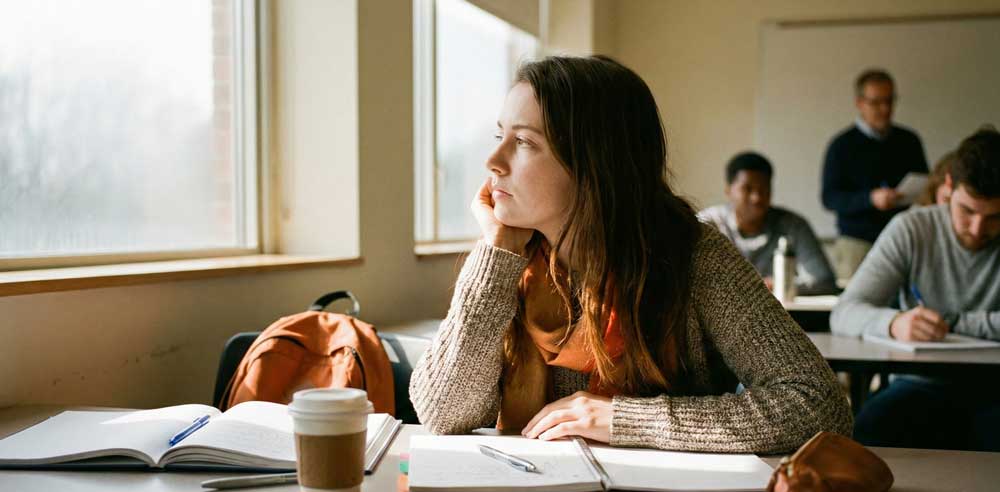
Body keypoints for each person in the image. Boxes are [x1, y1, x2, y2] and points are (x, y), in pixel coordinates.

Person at [410, 55, 851, 454]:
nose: (493, 160)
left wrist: (624, 420)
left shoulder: (697, 258)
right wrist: (497, 252)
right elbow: (443, 413)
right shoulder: (506, 259)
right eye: (499, 136)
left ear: (594, 164)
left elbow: (818, 404)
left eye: (524, 142)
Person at [831, 129, 1000, 451]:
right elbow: (845, 311)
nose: (978, 229)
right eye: (967, 211)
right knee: (867, 434)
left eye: (995, 217)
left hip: (995, 387)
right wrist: (895, 323)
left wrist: (949, 322)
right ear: (948, 186)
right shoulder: (912, 228)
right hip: (919, 383)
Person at [821, 69, 929, 281]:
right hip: (857, 244)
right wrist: (870, 199)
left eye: (889, 101)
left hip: (903, 239)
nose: (885, 109)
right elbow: (830, 197)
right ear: (859, 103)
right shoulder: (841, 145)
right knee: (853, 305)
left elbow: (926, 185)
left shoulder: (909, 141)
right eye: (876, 102)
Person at [699, 152, 838, 295]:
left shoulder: (793, 225)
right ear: (728, 190)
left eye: (764, 189)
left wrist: (778, 284)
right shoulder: (707, 224)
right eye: (748, 189)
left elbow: (823, 280)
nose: (756, 198)